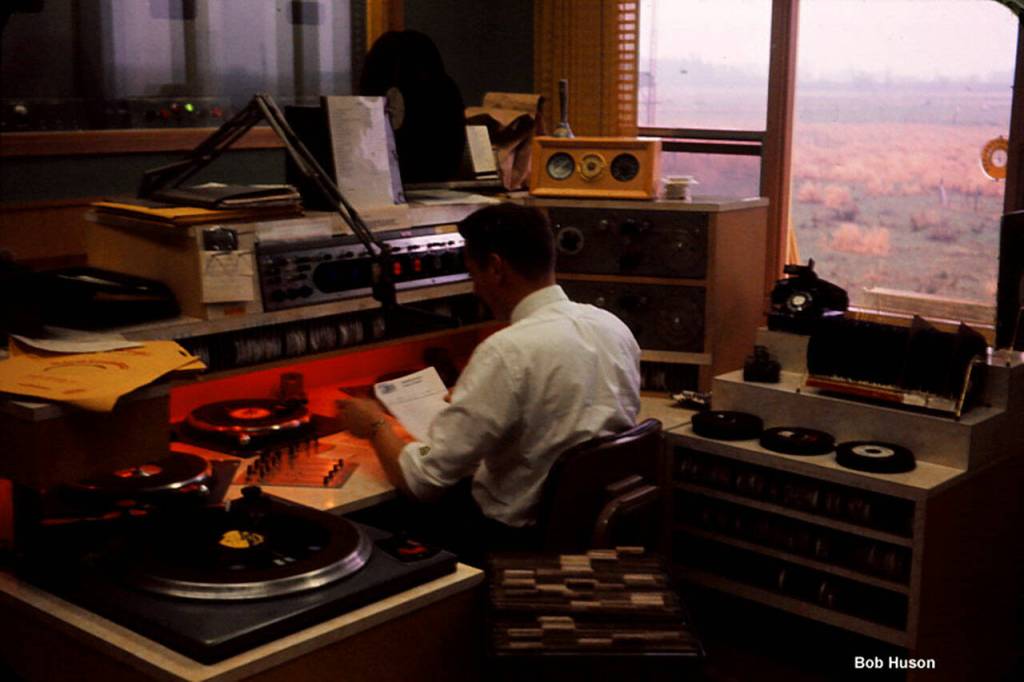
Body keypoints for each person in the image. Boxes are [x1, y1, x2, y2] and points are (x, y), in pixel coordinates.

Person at [336, 203, 641, 558]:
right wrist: (477, 397)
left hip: (510, 543)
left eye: (472, 274)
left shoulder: (506, 351)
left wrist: (373, 424)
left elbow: (422, 482)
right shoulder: (612, 326)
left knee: (369, 528)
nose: (475, 288)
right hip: (582, 535)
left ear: (495, 268)